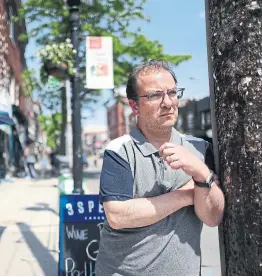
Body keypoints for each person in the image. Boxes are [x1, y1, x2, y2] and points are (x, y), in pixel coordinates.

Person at [95, 59, 225, 276]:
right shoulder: (120, 151)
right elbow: (118, 216)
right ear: (134, 105)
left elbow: (212, 218)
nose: (167, 102)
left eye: (172, 93)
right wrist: (188, 193)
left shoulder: (200, 149)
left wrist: (201, 173)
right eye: (155, 95)